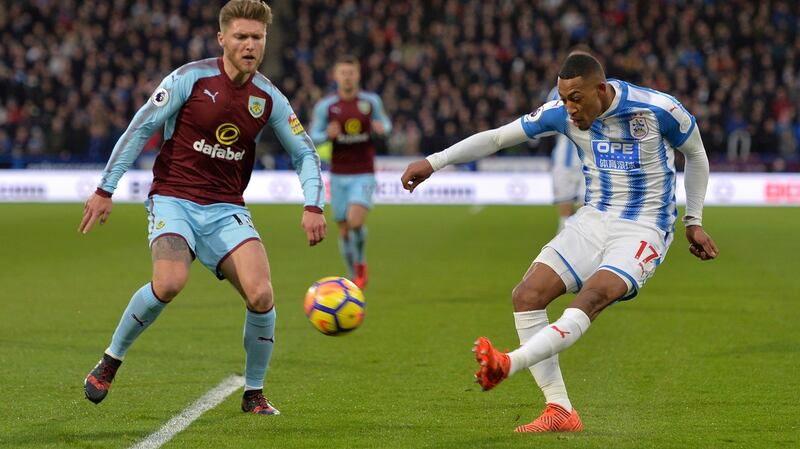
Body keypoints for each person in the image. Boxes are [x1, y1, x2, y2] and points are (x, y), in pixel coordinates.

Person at [401, 53, 718, 432]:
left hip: (644, 227)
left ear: (601, 90)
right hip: (593, 218)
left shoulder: (657, 109)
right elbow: (499, 137)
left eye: (576, 99)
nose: (569, 108)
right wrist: (434, 162)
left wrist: (693, 221)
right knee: (527, 295)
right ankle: (560, 410)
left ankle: (509, 363)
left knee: (594, 296)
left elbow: (696, 154)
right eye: (564, 98)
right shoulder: (561, 114)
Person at [79, 0, 326, 416]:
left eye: (258, 37)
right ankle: (110, 361)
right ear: (222, 39)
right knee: (170, 282)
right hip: (174, 197)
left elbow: (305, 153)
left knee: (262, 294)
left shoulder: (268, 98)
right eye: (241, 36)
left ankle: (253, 394)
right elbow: (141, 127)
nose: (250, 45)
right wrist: (105, 188)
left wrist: (314, 204)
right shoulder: (190, 79)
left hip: (226, 207)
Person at [309, 55, 392, 288]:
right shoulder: (326, 106)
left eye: (351, 73)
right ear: (335, 76)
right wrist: (326, 134)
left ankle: (361, 262)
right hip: (338, 175)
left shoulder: (370, 102)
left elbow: (386, 124)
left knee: (355, 222)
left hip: (364, 172)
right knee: (344, 230)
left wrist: (381, 128)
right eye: (343, 73)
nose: (347, 77)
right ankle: (353, 274)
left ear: (358, 75)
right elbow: (313, 134)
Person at [548, 83, 585, 232]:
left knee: (587, 214)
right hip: (563, 161)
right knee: (564, 217)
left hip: (590, 161)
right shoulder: (556, 93)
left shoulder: (594, 88)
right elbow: (550, 121)